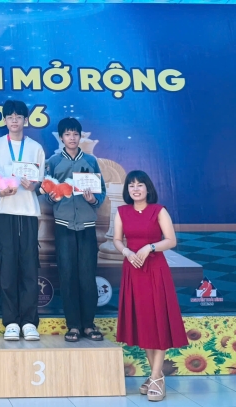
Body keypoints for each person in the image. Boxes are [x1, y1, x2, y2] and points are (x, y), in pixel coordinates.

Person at [113, 170, 187, 403]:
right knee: (143, 321)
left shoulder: (159, 210)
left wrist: (150, 247)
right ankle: (156, 376)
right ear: (127, 190)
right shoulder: (121, 212)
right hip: (133, 270)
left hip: (155, 270)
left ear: (148, 188)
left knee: (158, 320)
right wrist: (127, 252)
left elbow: (171, 240)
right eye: (131, 185)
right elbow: (117, 240)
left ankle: (155, 377)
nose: (136, 189)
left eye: (140, 185)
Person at [0, 100, 45, 341]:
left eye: (19, 116)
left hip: (28, 212)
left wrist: (33, 186)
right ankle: (10, 322)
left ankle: (29, 322)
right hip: (4, 211)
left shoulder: (35, 148)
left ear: (25, 120)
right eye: (10, 117)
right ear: (5, 120)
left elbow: (40, 181)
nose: (15, 120)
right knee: (7, 267)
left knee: (29, 267)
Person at [43, 118, 106, 342]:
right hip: (63, 226)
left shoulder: (90, 161)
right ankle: (73, 326)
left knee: (87, 276)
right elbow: (46, 191)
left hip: (87, 226)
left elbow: (101, 191)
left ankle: (88, 324)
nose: (72, 138)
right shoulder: (53, 161)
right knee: (67, 276)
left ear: (80, 137)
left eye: (75, 134)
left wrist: (93, 200)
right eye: (68, 134)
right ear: (61, 137)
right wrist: (51, 197)